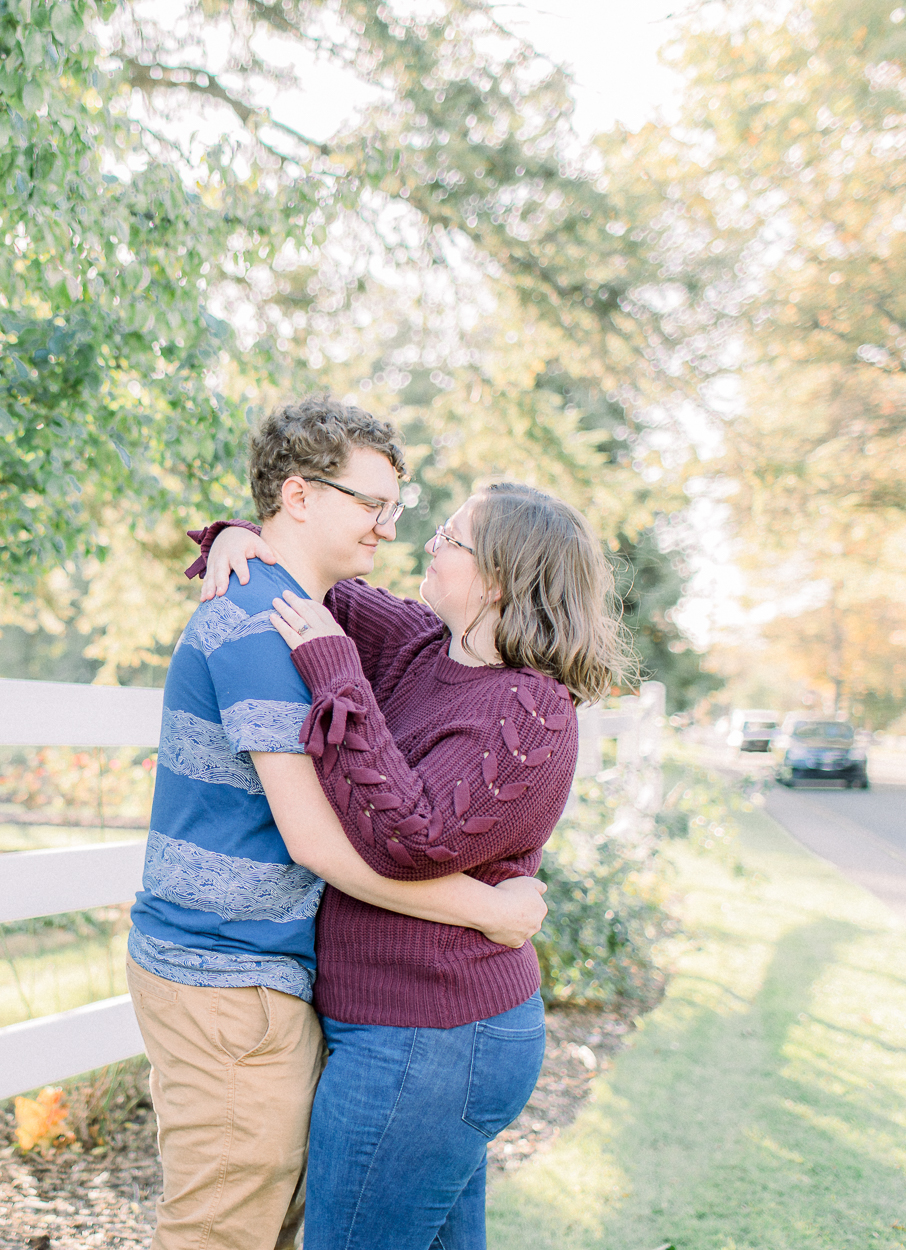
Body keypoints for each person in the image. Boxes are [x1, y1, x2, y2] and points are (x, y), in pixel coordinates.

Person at [126, 396, 550, 1250]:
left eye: (397, 509)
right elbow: (316, 840)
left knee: (258, 1220)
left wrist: (231, 536)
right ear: (299, 496)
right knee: (221, 1230)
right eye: (372, 505)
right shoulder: (258, 624)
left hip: (250, 972)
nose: (389, 530)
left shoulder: (298, 611)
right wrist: (489, 910)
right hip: (224, 975)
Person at [192, 479, 632, 1250]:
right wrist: (237, 537)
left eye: (452, 537)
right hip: (403, 1030)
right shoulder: (423, 643)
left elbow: (408, 841)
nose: (426, 542)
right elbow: (307, 571)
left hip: (434, 1037)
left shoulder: (529, 715)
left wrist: (336, 672)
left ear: (497, 579)